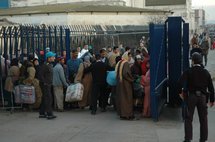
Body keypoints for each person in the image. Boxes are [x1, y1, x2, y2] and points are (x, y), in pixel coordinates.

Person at [177, 52, 214, 142]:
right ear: (201, 61)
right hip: (203, 98)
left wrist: (180, 93)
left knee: (188, 118)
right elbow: (211, 88)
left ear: (192, 61)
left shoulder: (188, 71)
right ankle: (203, 139)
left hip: (191, 97)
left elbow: (179, 83)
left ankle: (188, 139)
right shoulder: (206, 73)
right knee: (203, 119)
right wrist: (212, 100)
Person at [115, 52, 134, 120]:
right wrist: (132, 79)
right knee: (127, 99)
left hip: (120, 84)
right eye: (129, 56)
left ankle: (122, 114)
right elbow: (126, 74)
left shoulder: (120, 62)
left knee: (121, 99)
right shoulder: (125, 63)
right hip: (126, 85)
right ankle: (127, 114)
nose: (130, 58)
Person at [39, 51, 57, 120]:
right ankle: (49, 114)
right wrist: (45, 82)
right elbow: (40, 75)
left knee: (45, 98)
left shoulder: (49, 65)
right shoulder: (45, 65)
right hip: (46, 84)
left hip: (48, 84)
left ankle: (42, 112)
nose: (54, 58)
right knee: (48, 99)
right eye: (53, 57)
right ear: (49, 58)